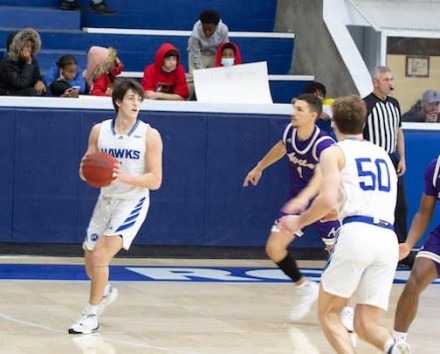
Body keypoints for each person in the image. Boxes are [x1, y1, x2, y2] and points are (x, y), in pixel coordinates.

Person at [278, 95, 410, 354]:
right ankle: (394, 348)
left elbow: (326, 199)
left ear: (334, 123)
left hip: (357, 234)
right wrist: (338, 212)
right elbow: (378, 198)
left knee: (328, 313)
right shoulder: (383, 154)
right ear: (364, 123)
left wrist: (299, 221)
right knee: (365, 324)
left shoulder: (333, 152)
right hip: (386, 237)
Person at [68, 79, 163, 334]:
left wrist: (123, 177)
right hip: (106, 200)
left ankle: (90, 315)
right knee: (90, 258)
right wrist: (85, 172)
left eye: (139, 99)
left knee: (100, 255)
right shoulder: (99, 131)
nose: (136, 103)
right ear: (118, 101)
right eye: (131, 98)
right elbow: (87, 166)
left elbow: (155, 180)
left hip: (133, 201)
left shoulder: (149, 135)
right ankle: (105, 291)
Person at [243, 93, 340, 321]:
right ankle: (306, 288)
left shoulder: (324, 144)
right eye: (293, 108)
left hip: (325, 204)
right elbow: (281, 147)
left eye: (299, 109)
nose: (293, 113)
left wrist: (307, 198)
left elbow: (321, 177)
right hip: (297, 200)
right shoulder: (289, 132)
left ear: (313, 116)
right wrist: (259, 167)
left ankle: (345, 307)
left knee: (339, 258)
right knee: (274, 248)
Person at [363, 66, 414, 268]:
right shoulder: (365, 104)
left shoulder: (394, 104)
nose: (391, 84)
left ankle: (401, 250)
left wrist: (402, 157)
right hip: (374, 161)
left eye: (391, 79)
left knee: (400, 206)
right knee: (375, 207)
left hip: (392, 160)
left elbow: (398, 132)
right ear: (376, 82)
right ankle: (373, 252)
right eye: (386, 80)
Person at [393, 155, 440, 346]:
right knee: (415, 280)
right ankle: (398, 344)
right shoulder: (436, 167)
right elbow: (424, 212)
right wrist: (409, 243)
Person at [187, 9, 229, 98]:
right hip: (199, 54)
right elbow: (195, 53)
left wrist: (225, 64)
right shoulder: (195, 33)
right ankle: (187, 99)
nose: (207, 32)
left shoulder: (223, 30)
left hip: (215, 54)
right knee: (193, 79)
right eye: (205, 29)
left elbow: (225, 48)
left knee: (216, 79)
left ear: (216, 26)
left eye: (210, 29)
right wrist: (201, 72)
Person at [0, 28, 46, 96]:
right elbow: (21, 84)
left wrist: (39, 82)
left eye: (31, 47)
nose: (30, 49)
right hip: (8, 94)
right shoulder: (6, 64)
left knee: (44, 90)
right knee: (31, 92)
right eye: (27, 46)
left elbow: (36, 77)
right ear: (18, 47)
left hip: (23, 90)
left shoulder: (32, 61)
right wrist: (28, 63)